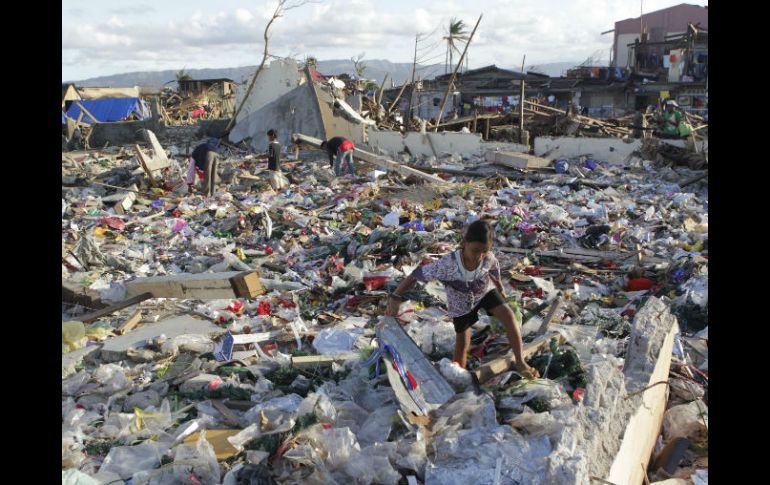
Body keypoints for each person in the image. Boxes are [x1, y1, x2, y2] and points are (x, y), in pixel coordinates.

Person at [386, 219, 540, 377]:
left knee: (508, 316)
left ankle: (521, 362)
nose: (479, 256)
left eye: (484, 251)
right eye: (475, 250)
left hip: (484, 291)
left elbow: (493, 268)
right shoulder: (448, 264)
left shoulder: (488, 257)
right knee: (463, 342)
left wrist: (500, 288)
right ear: (465, 243)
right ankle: (457, 376)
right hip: (460, 303)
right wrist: (396, 295)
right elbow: (416, 275)